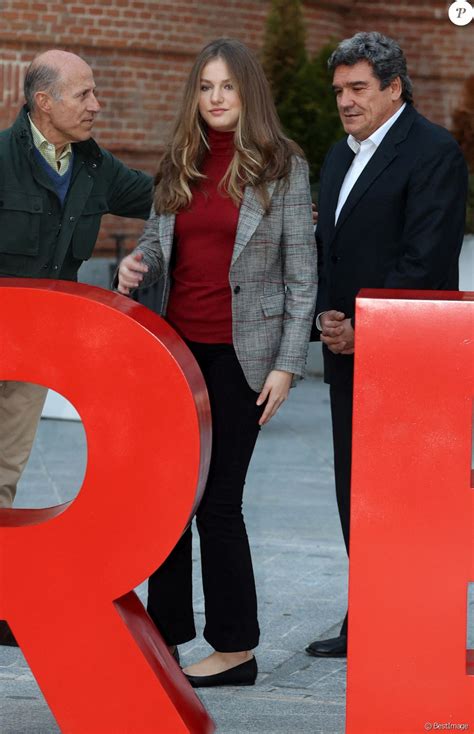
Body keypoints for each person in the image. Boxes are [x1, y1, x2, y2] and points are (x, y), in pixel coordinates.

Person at [117, 37, 317, 687]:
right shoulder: (181, 160)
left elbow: (301, 276)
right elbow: (155, 240)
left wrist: (287, 364)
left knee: (218, 505)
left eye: (226, 86)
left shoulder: (283, 166)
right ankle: (166, 637)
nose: (215, 99)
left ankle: (236, 648)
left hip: (242, 360)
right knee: (167, 502)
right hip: (172, 354)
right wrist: (133, 262)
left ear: (248, 91)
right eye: (205, 87)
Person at [306, 31, 468, 659]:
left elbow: (424, 258)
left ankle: (411, 622)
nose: (345, 102)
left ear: (394, 87)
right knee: (356, 484)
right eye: (339, 91)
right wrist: (327, 319)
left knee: (405, 490)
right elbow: (332, 251)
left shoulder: (433, 152)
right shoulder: (338, 155)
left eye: (358, 89)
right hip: (346, 353)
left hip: (411, 357)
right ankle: (369, 614)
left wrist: (363, 326)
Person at [0, 49, 153, 646]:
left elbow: (166, 195)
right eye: (83, 94)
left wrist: (256, 196)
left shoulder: (94, 167)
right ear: (44, 103)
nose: (97, 104)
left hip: (36, 350)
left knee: (5, 474)